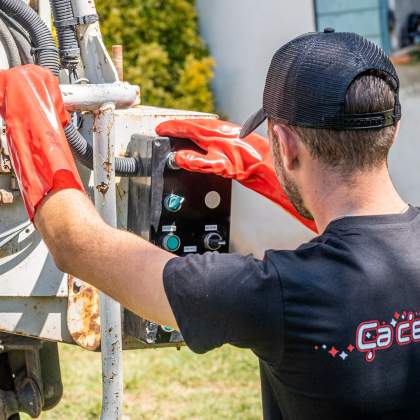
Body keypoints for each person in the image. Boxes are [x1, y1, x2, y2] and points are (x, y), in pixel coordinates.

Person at [0, 29, 419, 419]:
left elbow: (74, 242)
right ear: (393, 129)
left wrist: (32, 124)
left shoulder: (275, 295)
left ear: (286, 146)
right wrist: (264, 167)